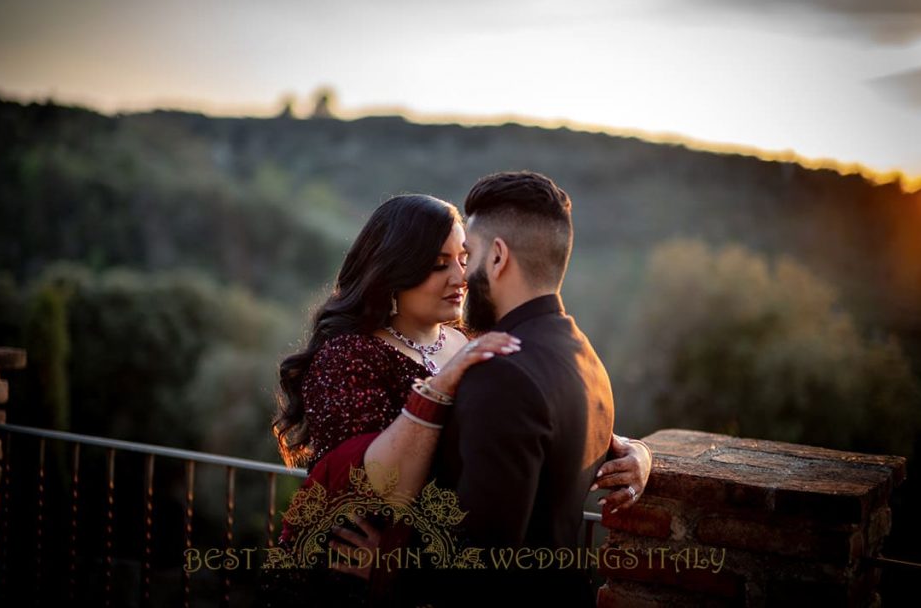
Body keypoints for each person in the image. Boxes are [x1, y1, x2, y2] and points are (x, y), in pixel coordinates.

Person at [261, 193, 650, 606]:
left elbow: (535, 416)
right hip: (349, 574)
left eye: (463, 258)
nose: (460, 276)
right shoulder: (348, 355)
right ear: (394, 270)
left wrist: (639, 453)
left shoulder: (471, 339)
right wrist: (440, 386)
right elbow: (374, 488)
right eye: (438, 265)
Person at [394, 171, 628, 607]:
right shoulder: (586, 357)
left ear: (498, 257)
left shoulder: (502, 374)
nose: (462, 277)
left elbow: (479, 564)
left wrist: (389, 564)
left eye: (470, 256)